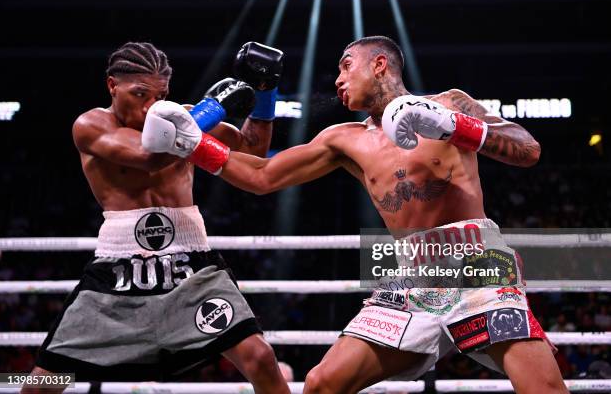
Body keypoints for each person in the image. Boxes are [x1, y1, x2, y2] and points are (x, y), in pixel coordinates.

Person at [143, 36, 568, 393]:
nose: (338, 79)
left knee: (543, 388)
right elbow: (262, 175)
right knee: (321, 385)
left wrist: (452, 125)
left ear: (379, 65)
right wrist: (193, 143)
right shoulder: (343, 139)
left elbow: (527, 148)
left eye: (346, 67)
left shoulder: (447, 102)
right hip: (413, 274)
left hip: (477, 262)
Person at [23, 41, 289, 394]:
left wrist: (266, 92)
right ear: (111, 86)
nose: (150, 105)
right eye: (139, 93)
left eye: (160, 95)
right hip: (118, 269)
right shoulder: (90, 124)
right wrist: (211, 110)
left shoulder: (186, 116)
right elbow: (148, 154)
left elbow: (252, 150)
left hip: (191, 266)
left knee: (260, 358)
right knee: (44, 382)